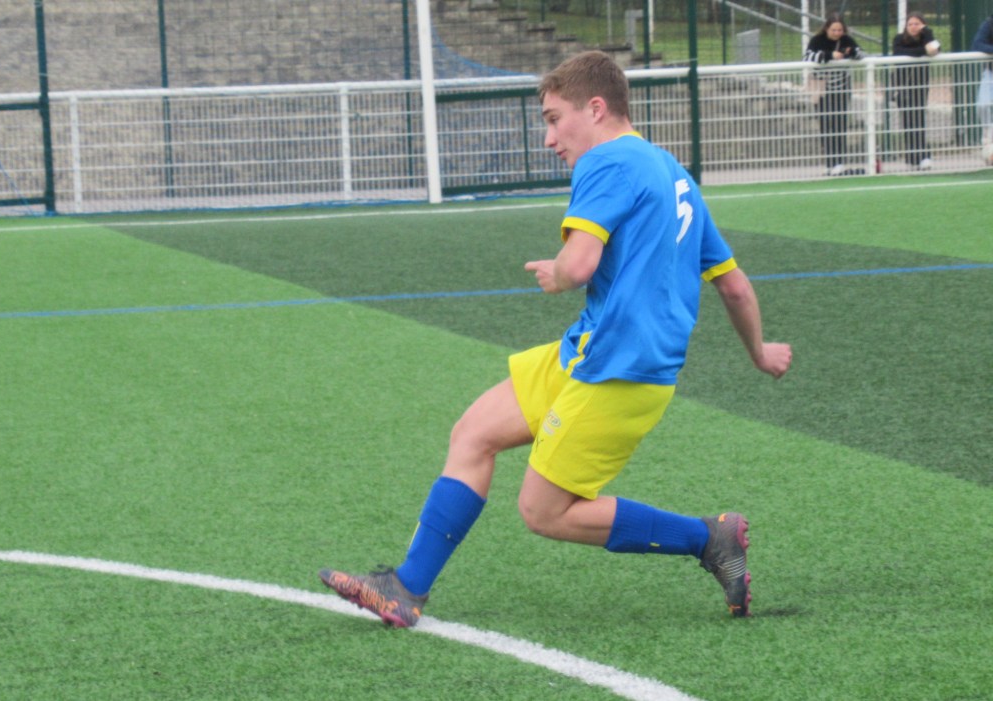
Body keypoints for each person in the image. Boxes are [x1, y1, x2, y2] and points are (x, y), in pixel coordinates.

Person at [318, 50, 793, 628]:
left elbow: (580, 264)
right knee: (473, 433)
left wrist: (559, 272)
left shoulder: (606, 161)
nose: (549, 139)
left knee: (543, 512)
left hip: (622, 370)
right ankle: (404, 588)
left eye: (552, 118)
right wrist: (759, 352)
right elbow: (735, 287)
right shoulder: (676, 176)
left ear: (595, 109)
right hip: (589, 350)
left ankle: (708, 538)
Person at [803, 14, 865, 176]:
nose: (837, 33)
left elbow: (861, 54)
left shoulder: (847, 40)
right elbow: (807, 56)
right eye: (833, 30)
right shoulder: (817, 40)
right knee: (825, 125)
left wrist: (851, 53)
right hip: (822, 88)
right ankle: (830, 162)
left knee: (839, 124)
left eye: (840, 30)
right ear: (826, 29)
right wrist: (830, 55)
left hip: (841, 87)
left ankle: (839, 162)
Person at [892, 12, 940, 170]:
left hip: (920, 85)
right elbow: (901, 52)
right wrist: (923, 51)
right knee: (908, 121)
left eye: (917, 24)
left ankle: (923, 156)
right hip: (903, 86)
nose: (913, 27)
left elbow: (935, 49)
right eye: (910, 24)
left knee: (918, 119)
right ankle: (913, 156)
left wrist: (927, 33)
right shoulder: (899, 39)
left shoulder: (926, 37)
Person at [971, 13, 993, 165]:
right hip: (990, 72)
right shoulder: (989, 24)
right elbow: (977, 44)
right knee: (983, 105)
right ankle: (987, 136)